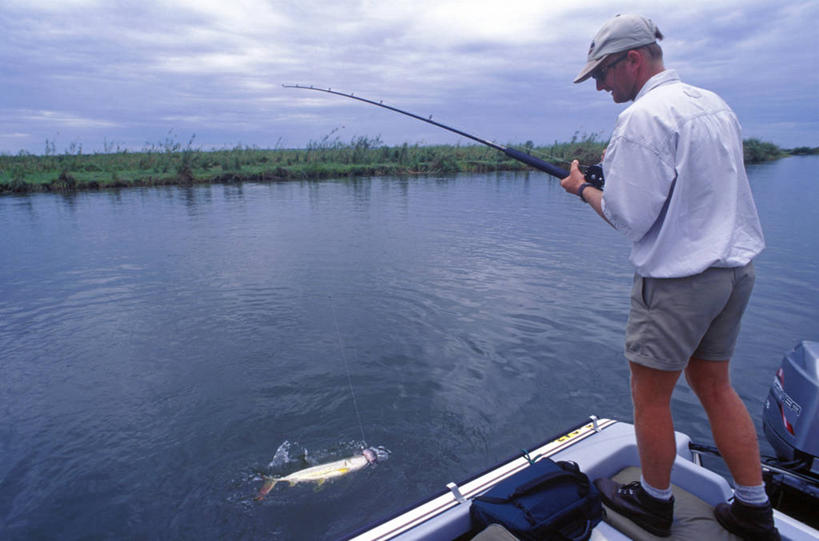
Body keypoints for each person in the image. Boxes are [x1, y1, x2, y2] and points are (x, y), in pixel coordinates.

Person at [561, 14, 779, 540]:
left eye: (602, 73)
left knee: (650, 397)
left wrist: (582, 189)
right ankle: (753, 507)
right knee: (715, 385)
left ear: (633, 59)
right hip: (734, 273)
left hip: (680, 283)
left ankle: (654, 503)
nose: (599, 85)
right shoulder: (714, 105)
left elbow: (628, 217)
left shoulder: (643, 118)